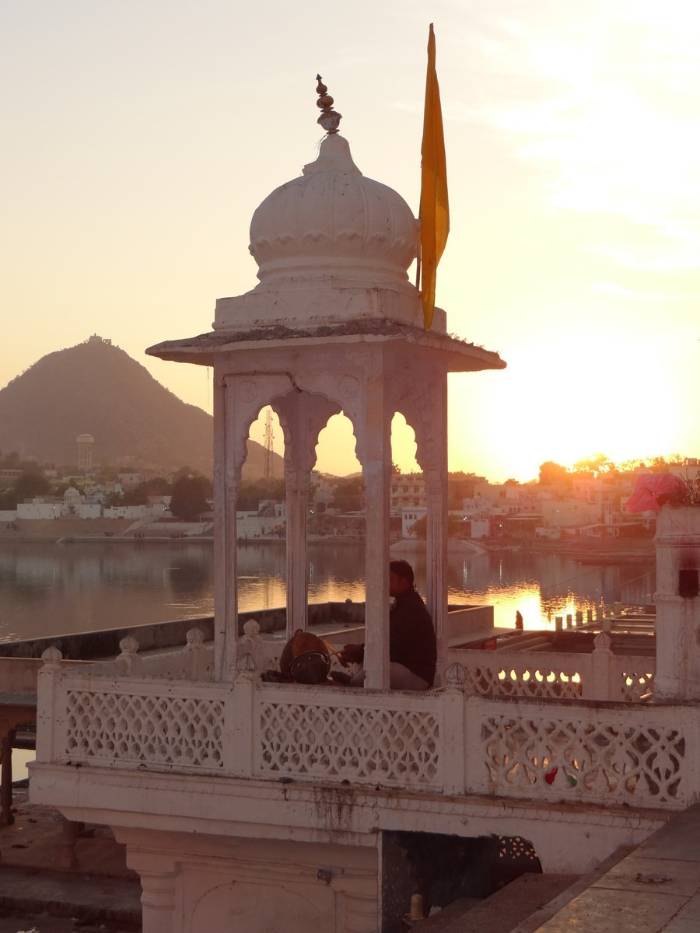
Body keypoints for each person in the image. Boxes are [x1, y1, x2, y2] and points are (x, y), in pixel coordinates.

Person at [339, 560, 436, 690]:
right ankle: (353, 682)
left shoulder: (411, 609)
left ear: (404, 582)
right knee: (368, 662)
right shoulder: (404, 604)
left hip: (418, 676)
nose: (386, 583)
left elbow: (393, 647)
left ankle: (351, 685)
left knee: (379, 669)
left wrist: (361, 650)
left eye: (390, 579)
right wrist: (361, 650)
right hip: (406, 669)